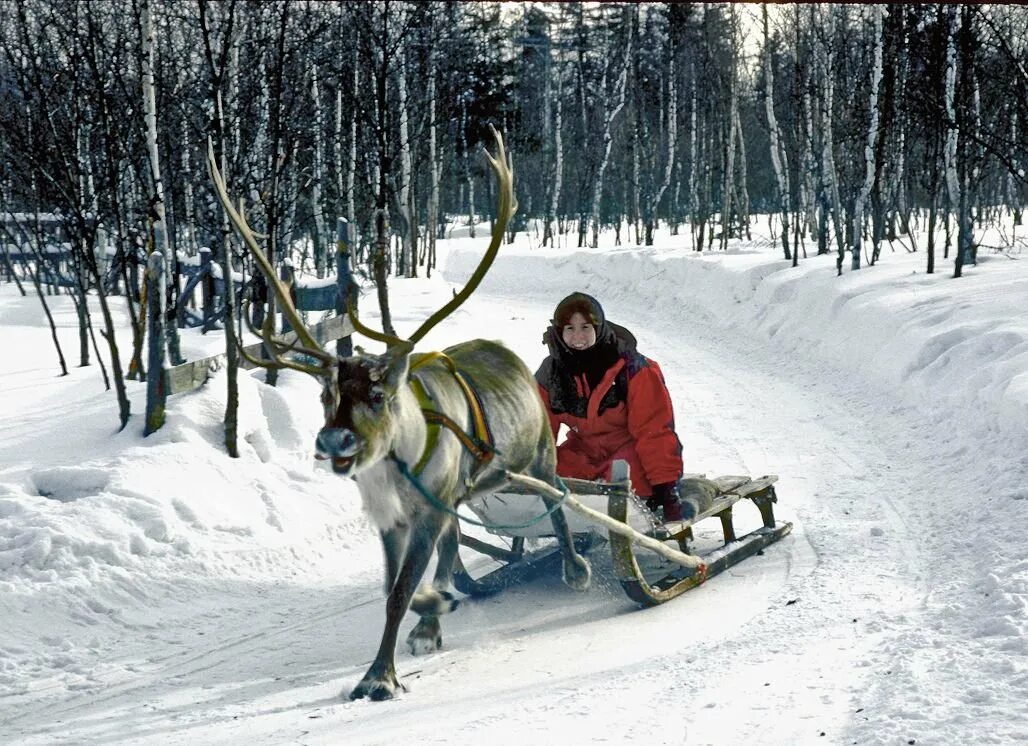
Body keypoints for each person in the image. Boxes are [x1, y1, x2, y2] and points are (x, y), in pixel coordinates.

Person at [534, 292, 687, 522]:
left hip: (629, 451)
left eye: (585, 327)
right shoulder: (551, 373)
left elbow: (654, 430)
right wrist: (528, 472)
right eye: (569, 328)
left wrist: (666, 488)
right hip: (584, 453)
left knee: (622, 478)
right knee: (553, 475)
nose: (578, 337)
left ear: (599, 327)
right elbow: (539, 432)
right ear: (559, 331)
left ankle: (640, 504)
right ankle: (574, 517)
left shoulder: (633, 368)